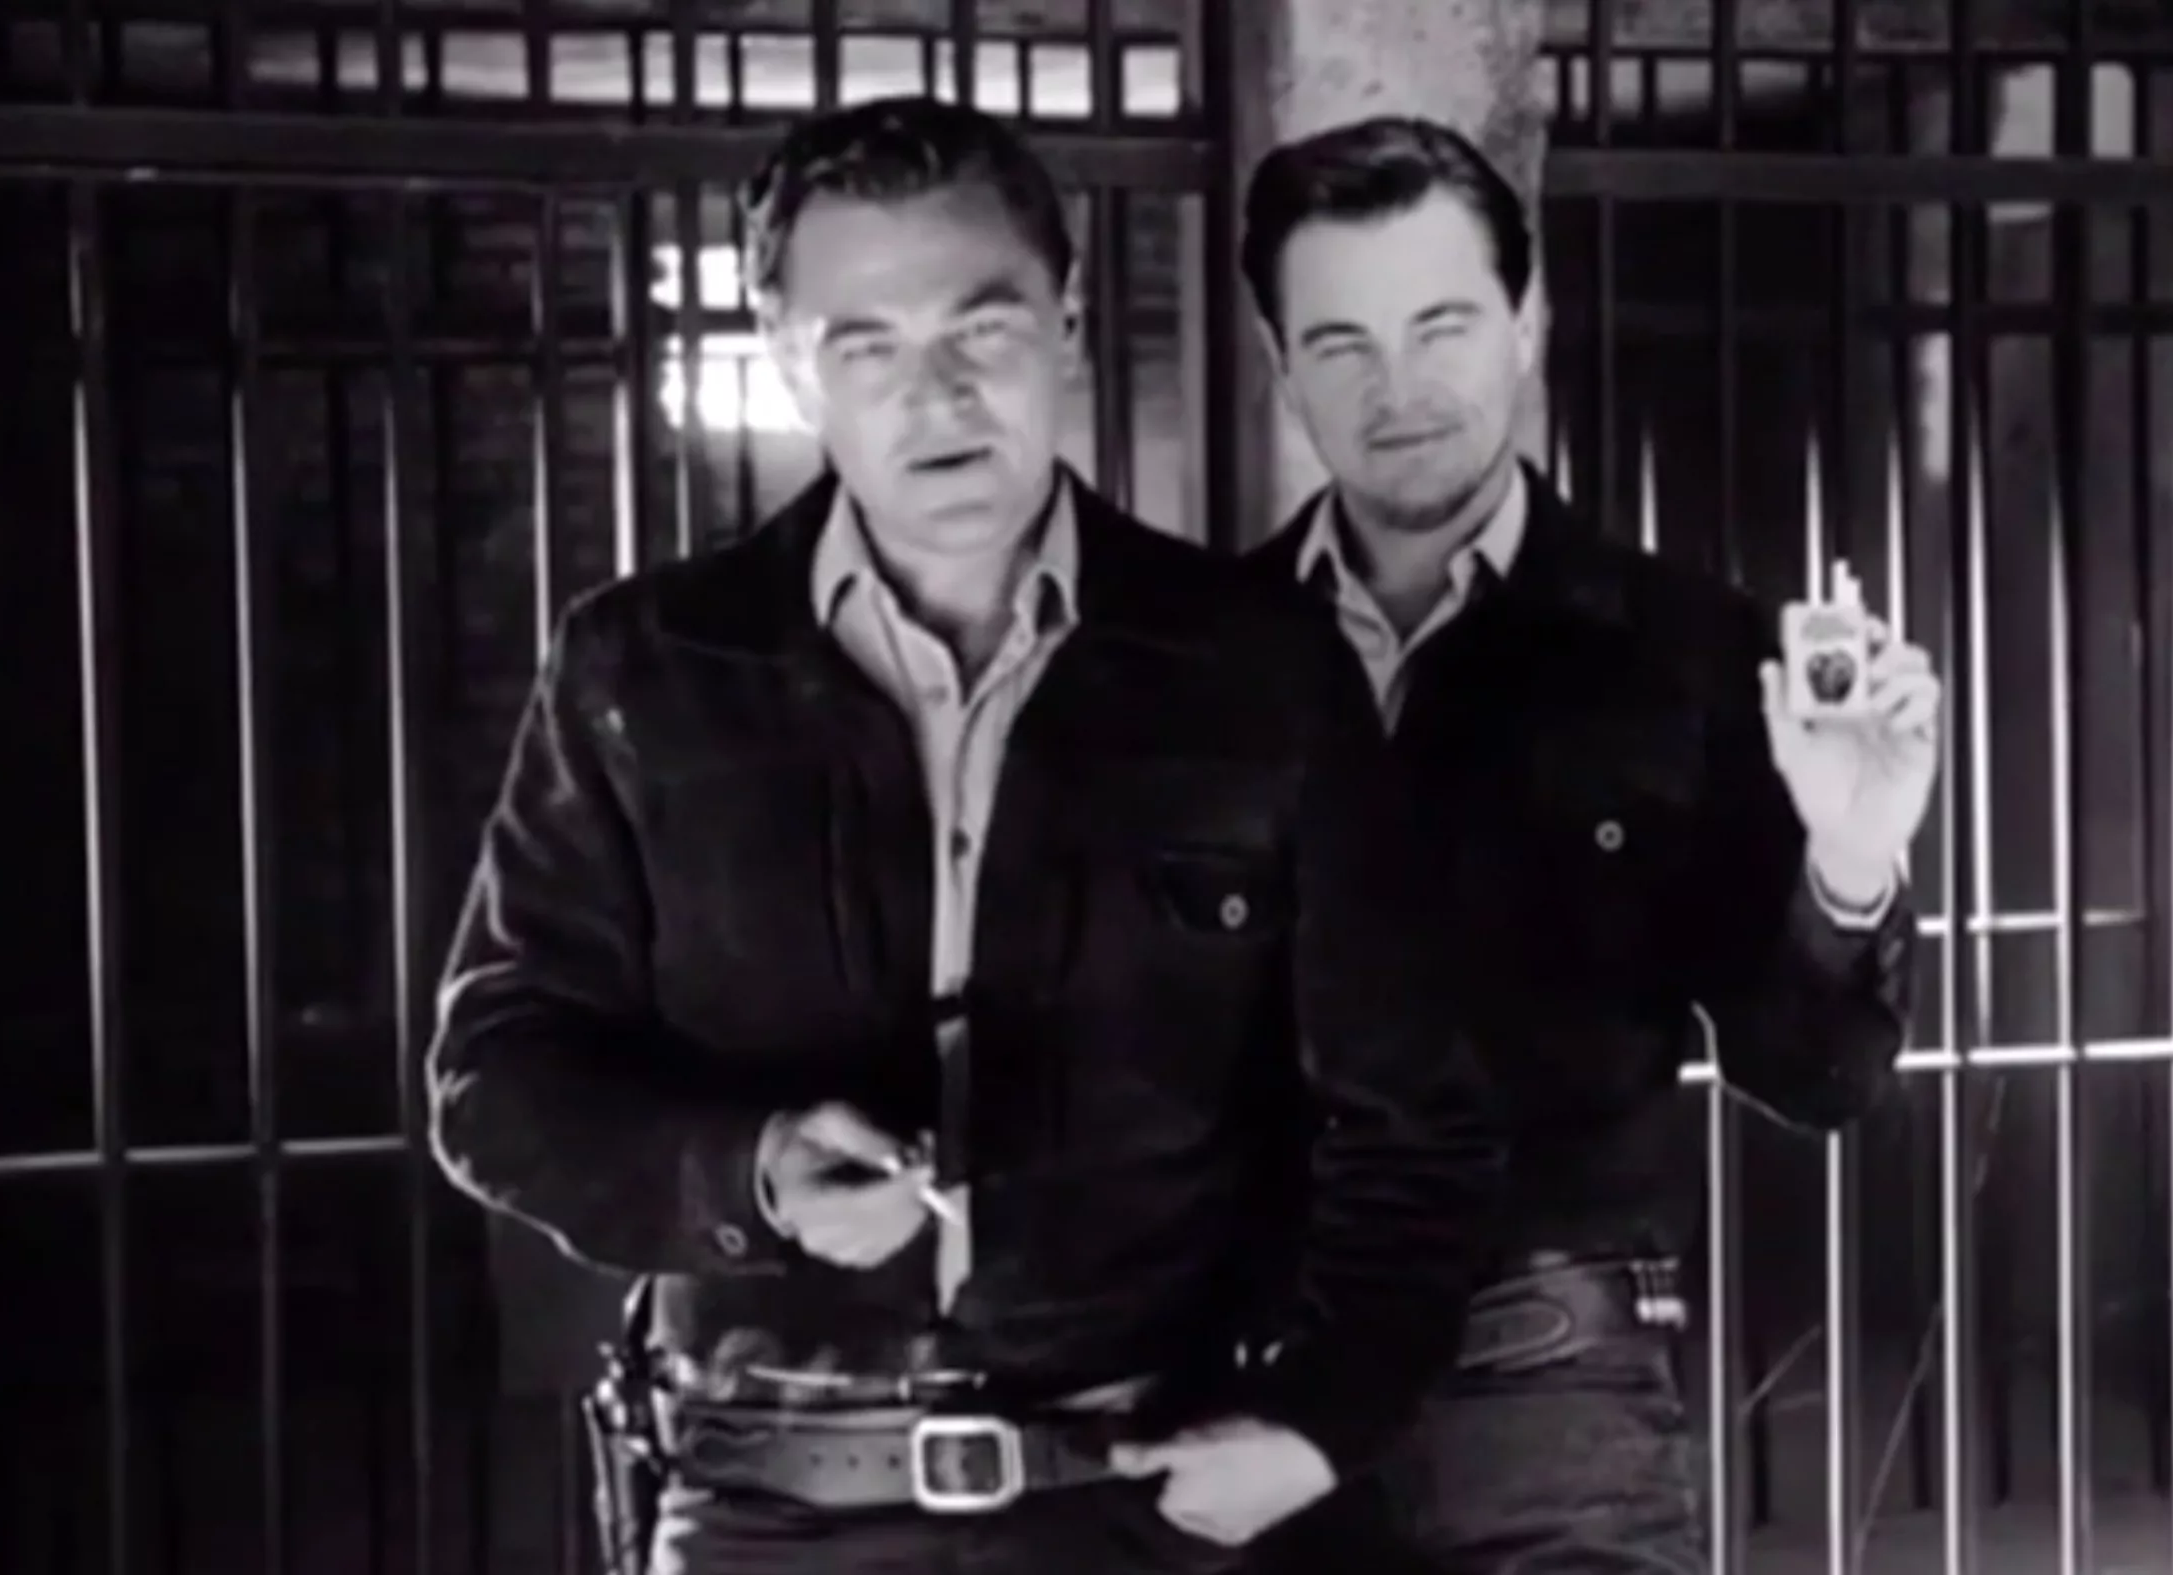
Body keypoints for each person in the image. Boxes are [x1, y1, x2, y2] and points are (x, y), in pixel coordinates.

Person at [425, 96, 1506, 1575]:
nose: (935, 397)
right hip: (764, 1514)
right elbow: (495, 1078)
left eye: (981, 330)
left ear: (1066, 322)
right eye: (865, 347)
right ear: (788, 359)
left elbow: (1415, 1123)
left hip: (1147, 1505)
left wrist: (1322, 1423)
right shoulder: (646, 670)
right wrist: (751, 1174)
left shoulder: (1258, 667)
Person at [1235, 117, 1941, 1574]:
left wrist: (1850, 857)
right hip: (1253, 1375)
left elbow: (1816, 1075)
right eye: (1342, 342)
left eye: (1441, 325)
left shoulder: (1689, 652)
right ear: (1276, 360)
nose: (1398, 387)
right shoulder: (1195, 655)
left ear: (1529, 319)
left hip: (1550, 1380)